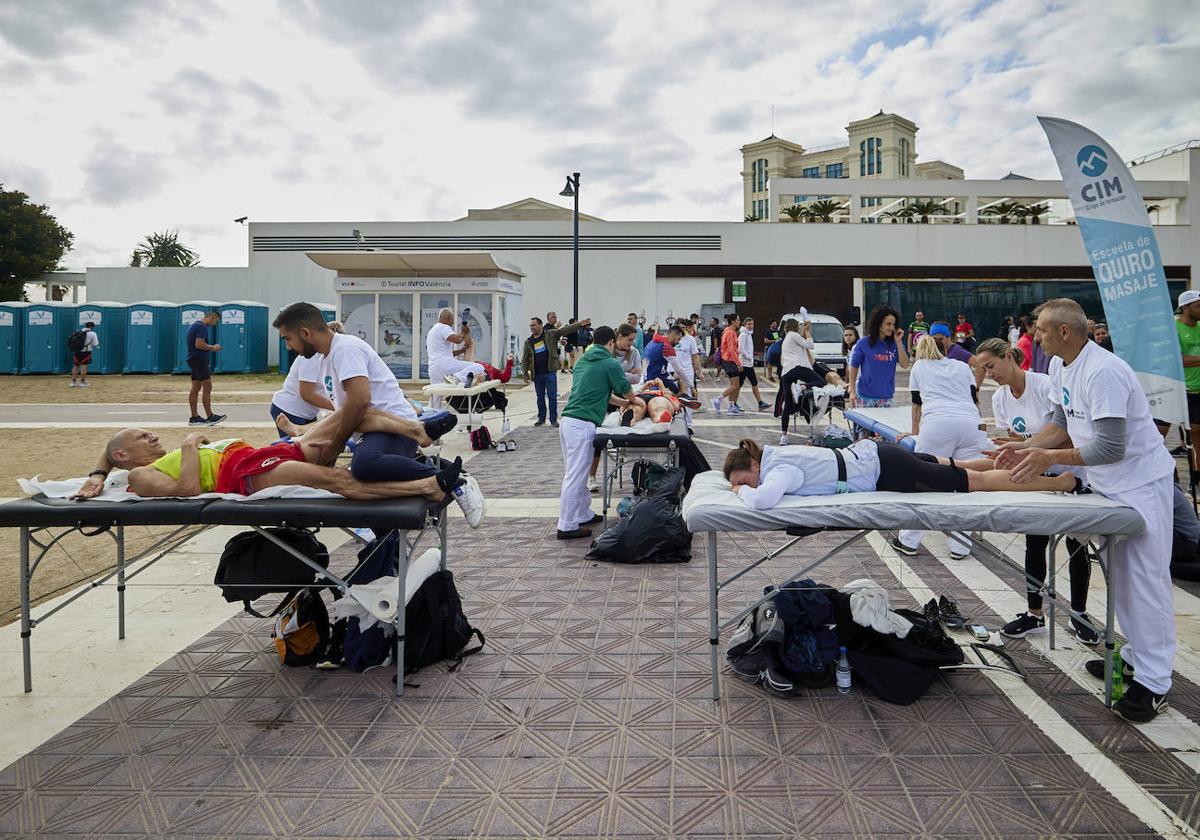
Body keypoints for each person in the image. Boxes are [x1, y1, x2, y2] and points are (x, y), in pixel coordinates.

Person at [995, 298, 1176, 722]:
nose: (1033, 335)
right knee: (1121, 581)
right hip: (1109, 488)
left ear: (1064, 332)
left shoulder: (1104, 371)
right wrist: (1024, 447)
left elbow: (1112, 447)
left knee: (1145, 583)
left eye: (1040, 329)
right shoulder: (1061, 367)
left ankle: (1155, 684)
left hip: (1141, 486)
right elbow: (1059, 425)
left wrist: (1048, 460)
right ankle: (1133, 659)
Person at [273, 302, 478, 523]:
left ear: (305, 333)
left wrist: (335, 445)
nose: (288, 346)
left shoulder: (345, 349)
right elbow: (345, 413)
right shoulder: (327, 359)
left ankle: (453, 481)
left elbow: (360, 401)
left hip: (394, 432)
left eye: (287, 338)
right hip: (376, 432)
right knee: (363, 487)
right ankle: (427, 455)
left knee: (364, 465)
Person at [974, 337, 1097, 644]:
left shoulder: (1043, 386)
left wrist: (1039, 450)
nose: (990, 374)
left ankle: (1080, 614)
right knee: (1035, 540)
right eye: (984, 370)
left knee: (1076, 544)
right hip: (1037, 476)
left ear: (1009, 357)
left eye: (991, 366)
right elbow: (1019, 441)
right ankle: (1034, 613)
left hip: (1072, 472)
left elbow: (1071, 433)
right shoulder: (1002, 398)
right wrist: (1015, 452)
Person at [86, 426, 479, 521]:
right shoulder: (140, 476)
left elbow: (105, 458)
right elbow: (187, 489)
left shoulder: (132, 460)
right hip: (242, 474)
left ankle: (419, 431)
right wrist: (190, 445)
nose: (152, 435)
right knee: (337, 481)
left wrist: (97, 473)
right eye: (142, 436)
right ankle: (429, 484)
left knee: (345, 420)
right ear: (123, 453)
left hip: (254, 454)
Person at [723, 437, 1081, 510]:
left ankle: (1061, 481)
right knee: (960, 466)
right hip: (876, 452)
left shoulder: (778, 469)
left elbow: (764, 501)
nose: (746, 486)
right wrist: (742, 487)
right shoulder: (777, 453)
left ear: (752, 466)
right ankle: (1027, 464)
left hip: (887, 470)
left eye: (743, 480)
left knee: (978, 484)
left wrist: (742, 494)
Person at [892, 333, 991, 559]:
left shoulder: (919, 367)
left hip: (938, 425)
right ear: (945, 349)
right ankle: (960, 546)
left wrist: (915, 433)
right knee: (968, 482)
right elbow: (974, 400)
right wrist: (981, 430)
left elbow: (916, 406)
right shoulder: (961, 366)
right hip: (971, 425)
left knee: (922, 481)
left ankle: (908, 540)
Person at [557, 326, 643, 540]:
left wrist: (624, 402)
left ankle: (583, 513)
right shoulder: (610, 362)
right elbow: (624, 386)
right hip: (582, 424)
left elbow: (600, 392)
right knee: (575, 476)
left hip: (567, 422)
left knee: (578, 472)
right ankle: (566, 526)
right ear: (612, 342)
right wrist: (634, 401)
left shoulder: (584, 361)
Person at [521, 315, 587, 426]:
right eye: (530, 326)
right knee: (540, 398)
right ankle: (541, 418)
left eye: (534, 325)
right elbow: (525, 359)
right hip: (537, 374)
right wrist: (525, 374)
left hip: (549, 372)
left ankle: (553, 419)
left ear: (540, 325)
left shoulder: (550, 334)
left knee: (552, 397)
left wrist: (579, 324)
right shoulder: (529, 342)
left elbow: (565, 330)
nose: (532, 327)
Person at [848, 305, 909, 408]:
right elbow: (853, 368)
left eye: (894, 324)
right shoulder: (863, 343)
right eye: (888, 324)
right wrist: (852, 392)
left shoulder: (895, 344)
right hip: (864, 397)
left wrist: (898, 342)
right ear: (879, 324)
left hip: (886, 398)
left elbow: (905, 365)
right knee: (862, 425)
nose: (892, 327)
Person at [426, 308, 486, 390]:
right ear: (449, 319)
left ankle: (453, 378)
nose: (453, 322)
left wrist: (462, 350)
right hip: (446, 365)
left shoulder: (432, 331)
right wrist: (463, 332)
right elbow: (458, 340)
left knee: (436, 398)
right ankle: (456, 378)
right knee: (478, 367)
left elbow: (449, 353)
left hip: (434, 369)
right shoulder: (444, 327)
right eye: (453, 319)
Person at [185, 310, 226, 426]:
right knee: (207, 385)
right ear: (211, 317)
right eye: (216, 321)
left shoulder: (195, 325)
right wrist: (213, 347)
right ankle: (210, 416)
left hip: (193, 358)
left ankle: (194, 417)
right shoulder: (201, 327)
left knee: (196, 387)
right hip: (198, 359)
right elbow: (199, 344)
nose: (215, 324)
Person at [1176, 289, 1200, 467]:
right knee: (1192, 436)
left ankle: (1197, 479)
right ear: (1185, 307)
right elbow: (1179, 360)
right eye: (1199, 306)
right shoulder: (1174, 328)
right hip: (1184, 391)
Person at [928, 322, 985, 388]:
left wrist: (976, 389)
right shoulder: (934, 352)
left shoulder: (957, 351)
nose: (937, 342)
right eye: (934, 339)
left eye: (940, 339)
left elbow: (980, 366)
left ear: (948, 337)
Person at [713, 313, 744, 414]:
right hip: (730, 361)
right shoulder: (730, 332)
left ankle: (731, 406)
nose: (739, 322)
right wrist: (738, 363)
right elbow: (731, 349)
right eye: (738, 320)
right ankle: (718, 399)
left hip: (728, 360)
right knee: (735, 386)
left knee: (735, 385)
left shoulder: (728, 331)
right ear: (733, 321)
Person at [738, 316, 770, 411]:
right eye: (748, 324)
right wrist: (748, 356)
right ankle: (759, 402)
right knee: (749, 383)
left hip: (748, 363)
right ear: (744, 325)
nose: (751, 326)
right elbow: (740, 349)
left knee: (741, 384)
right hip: (745, 364)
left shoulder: (748, 334)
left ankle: (760, 402)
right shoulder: (743, 335)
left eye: (752, 324)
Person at [675, 318, 705, 401]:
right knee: (675, 394)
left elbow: (695, 356)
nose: (681, 330)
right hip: (675, 372)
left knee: (688, 396)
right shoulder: (672, 338)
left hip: (687, 371)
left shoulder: (690, 339)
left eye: (683, 328)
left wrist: (699, 371)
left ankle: (688, 413)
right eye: (679, 328)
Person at [68, 321, 99, 387]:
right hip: (86, 352)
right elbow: (95, 344)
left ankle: (73, 382)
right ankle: (82, 382)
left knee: (75, 366)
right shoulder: (93, 333)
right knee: (84, 366)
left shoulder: (78, 332)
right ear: (92, 327)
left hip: (77, 351)